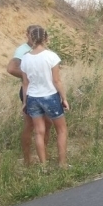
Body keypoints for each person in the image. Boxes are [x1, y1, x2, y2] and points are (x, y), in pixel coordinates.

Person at [19, 25, 71, 166]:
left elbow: (25, 83)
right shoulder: (51, 56)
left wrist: (25, 101)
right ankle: (62, 164)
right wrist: (64, 98)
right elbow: (56, 80)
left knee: (39, 132)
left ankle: (43, 165)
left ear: (31, 38)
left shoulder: (25, 58)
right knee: (61, 130)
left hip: (33, 98)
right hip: (50, 96)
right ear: (46, 38)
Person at [7, 25, 53, 165]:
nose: (33, 37)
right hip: (30, 90)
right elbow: (11, 68)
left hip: (43, 90)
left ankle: (42, 156)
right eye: (31, 34)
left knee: (47, 124)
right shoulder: (22, 50)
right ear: (27, 34)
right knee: (29, 125)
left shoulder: (40, 50)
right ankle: (27, 160)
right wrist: (32, 75)